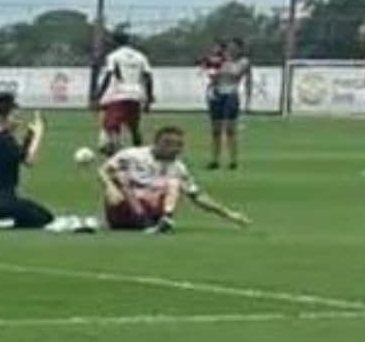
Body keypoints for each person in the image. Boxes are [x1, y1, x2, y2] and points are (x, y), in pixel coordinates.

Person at [0, 94, 93, 232]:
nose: (18, 122)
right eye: (14, 117)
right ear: (1, 117)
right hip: (1, 202)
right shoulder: (3, 140)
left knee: (31, 214)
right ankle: (0, 222)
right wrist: (39, 133)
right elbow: (29, 160)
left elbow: (18, 153)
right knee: (43, 216)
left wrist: (30, 136)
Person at [95, 127, 249, 232]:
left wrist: (229, 214)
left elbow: (197, 196)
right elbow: (104, 169)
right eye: (170, 145)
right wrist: (110, 187)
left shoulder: (178, 167)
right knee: (120, 176)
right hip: (121, 211)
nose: (176, 149)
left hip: (151, 209)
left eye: (179, 145)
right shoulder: (133, 155)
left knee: (174, 182)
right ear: (158, 143)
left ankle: (164, 220)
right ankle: (144, 222)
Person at [91, 31, 151, 151]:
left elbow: (109, 75)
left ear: (114, 42)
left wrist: (99, 94)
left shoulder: (114, 56)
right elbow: (148, 77)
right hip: (136, 94)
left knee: (110, 124)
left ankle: (113, 148)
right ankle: (139, 152)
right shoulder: (140, 56)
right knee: (134, 127)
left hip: (119, 94)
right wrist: (148, 98)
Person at [202, 37, 251, 170]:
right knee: (215, 130)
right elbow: (210, 73)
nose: (231, 50)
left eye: (234, 47)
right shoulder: (218, 60)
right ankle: (215, 159)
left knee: (230, 129)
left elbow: (241, 77)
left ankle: (233, 160)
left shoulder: (243, 62)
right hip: (216, 94)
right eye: (230, 47)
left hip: (231, 93)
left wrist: (248, 99)